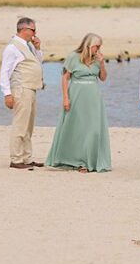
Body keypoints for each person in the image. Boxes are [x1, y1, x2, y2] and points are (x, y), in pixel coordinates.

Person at [45, 33, 112, 173]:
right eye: (96, 46)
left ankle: (89, 161)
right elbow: (65, 78)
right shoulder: (73, 57)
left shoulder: (97, 59)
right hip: (76, 96)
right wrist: (65, 98)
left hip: (93, 98)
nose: (98, 49)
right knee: (77, 128)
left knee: (93, 129)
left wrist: (102, 63)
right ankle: (77, 161)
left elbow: (103, 78)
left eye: (99, 46)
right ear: (88, 45)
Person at [0, 17, 45, 169]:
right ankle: (16, 159)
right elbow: (4, 72)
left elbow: (38, 62)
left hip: (31, 88)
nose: (35, 33)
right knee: (20, 125)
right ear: (24, 29)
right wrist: (7, 94)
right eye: (33, 30)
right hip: (21, 89)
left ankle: (27, 158)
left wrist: (37, 48)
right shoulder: (12, 48)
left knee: (28, 126)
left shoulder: (28, 46)